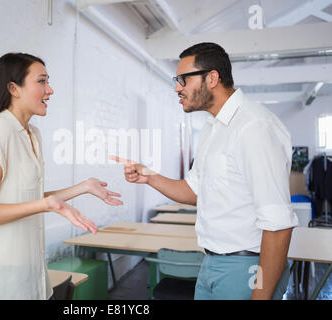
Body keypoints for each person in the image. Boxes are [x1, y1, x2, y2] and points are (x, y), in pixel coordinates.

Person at [111, 42, 298, 300]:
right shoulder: (213, 128)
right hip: (211, 262)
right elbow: (194, 190)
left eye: (183, 80)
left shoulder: (254, 127)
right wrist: (149, 177)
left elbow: (278, 225)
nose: (177, 88)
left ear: (212, 78)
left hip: (246, 268)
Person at [0, 52, 123, 300]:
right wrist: (46, 205)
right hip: (1, 284)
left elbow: (30, 199)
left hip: (30, 276)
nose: (50, 90)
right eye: (42, 81)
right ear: (13, 88)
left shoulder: (31, 133)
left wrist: (84, 186)